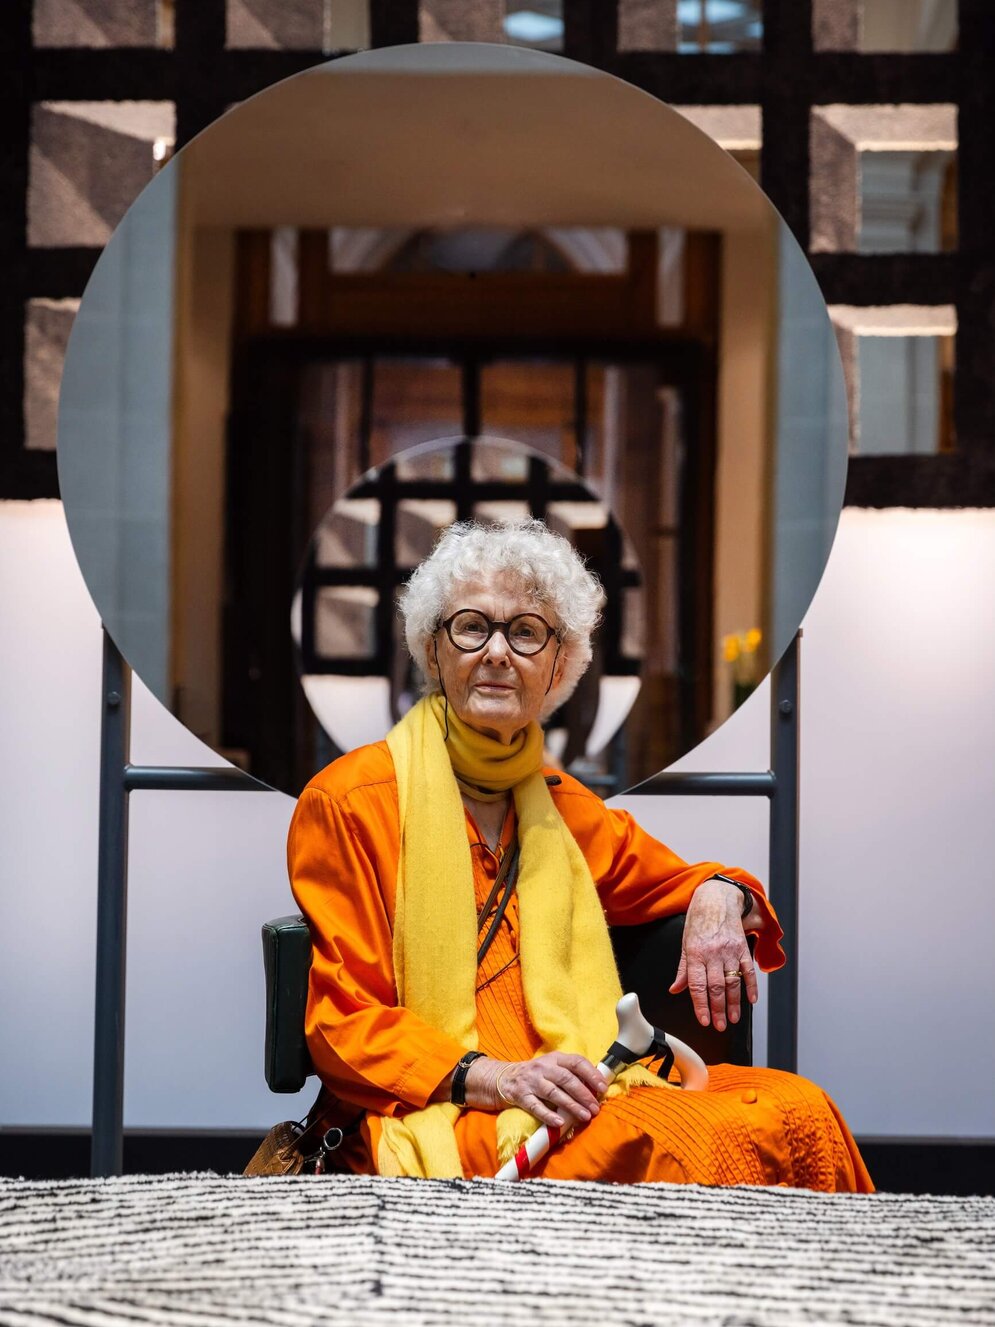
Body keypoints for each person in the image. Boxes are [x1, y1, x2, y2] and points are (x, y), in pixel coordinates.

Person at [289, 519, 872, 1189]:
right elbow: (343, 1023)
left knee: (801, 1108)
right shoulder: (349, 801)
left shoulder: (562, 806)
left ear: (558, 667)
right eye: (471, 627)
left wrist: (720, 896)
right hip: (441, 1106)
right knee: (669, 1144)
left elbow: (685, 880)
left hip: (580, 1086)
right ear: (432, 649)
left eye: (526, 632)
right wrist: (496, 1077)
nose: (497, 652)